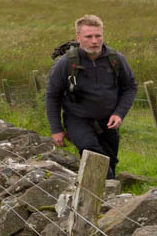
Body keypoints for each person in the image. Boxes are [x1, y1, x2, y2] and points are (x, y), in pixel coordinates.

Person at [45, 15, 138, 179]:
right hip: (77, 119)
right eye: (89, 37)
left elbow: (130, 87)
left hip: (108, 120)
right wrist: (56, 129)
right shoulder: (65, 63)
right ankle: (108, 188)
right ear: (78, 37)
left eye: (98, 36)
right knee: (92, 152)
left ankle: (108, 196)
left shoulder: (116, 60)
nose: (94, 41)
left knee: (110, 160)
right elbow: (52, 96)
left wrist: (119, 113)